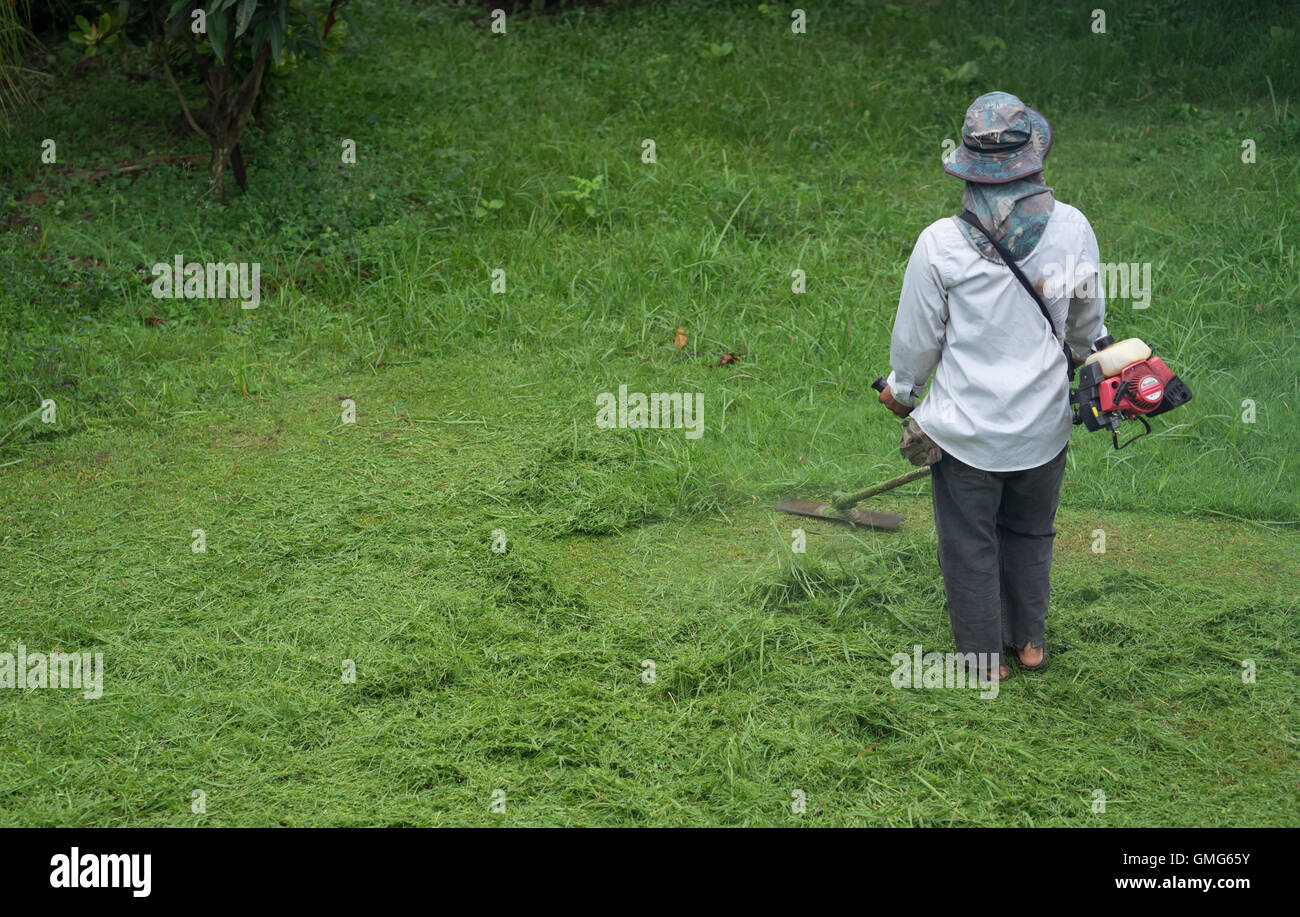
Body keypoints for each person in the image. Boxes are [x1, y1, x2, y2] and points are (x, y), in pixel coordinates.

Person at [878, 91, 1107, 681]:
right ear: (1033, 158)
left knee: (970, 544)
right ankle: (1029, 644)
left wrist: (901, 394)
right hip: (1044, 428)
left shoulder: (940, 243)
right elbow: (1086, 327)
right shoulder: (1073, 229)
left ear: (969, 169)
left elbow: (916, 345)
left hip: (964, 435)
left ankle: (983, 661)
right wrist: (1080, 363)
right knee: (1031, 533)